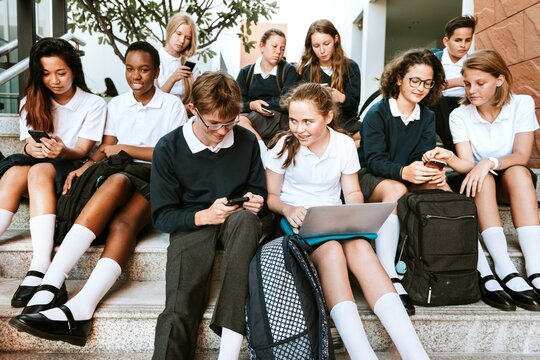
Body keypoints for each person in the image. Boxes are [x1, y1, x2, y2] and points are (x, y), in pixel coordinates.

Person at [9, 41, 188, 345]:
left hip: (157, 178)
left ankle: (54, 285)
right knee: (119, 212)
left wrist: (125, 149)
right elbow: (105, 148)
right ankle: (75, 306)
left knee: (118, 189)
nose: (137, 76)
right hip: (121, 172)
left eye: (145, 70)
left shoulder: (171, 106)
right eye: (131, 69)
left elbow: (169, 156)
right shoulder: (117, 105)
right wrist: (84, 166)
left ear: (157, 72)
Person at [265, 82, 429, 359]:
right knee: (330, 252)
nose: (299, 128)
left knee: (362, 249)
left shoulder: (342, 144)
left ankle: (415, 352)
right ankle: (361, 352)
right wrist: (287, 208)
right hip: (297, 221)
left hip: (335, 216)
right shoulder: (284, 145)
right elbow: (271, 196)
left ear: (328, 117)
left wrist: (355, 209)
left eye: (308, 121)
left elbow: (352, 190)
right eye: (294, 120)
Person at [150, 71, 267, 360]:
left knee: (247, 221)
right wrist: (204, 216)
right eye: (213, 123)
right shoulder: (168, 147)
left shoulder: (246, 142)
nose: (221, 131)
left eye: (230, 123)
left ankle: (228, 349)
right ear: (193, 109)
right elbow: (162, 216)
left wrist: (255, 200)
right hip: (192, 223)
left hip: (237, 220)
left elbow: (256, 189)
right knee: (179, 303)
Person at [423, 49, 540, 311]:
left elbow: (522, 155)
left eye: (480, 83)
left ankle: (535, 268)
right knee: (484, 177)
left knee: (519, 173)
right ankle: (504, 267)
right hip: (479, 183)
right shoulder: (459, 115)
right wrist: (449, 157)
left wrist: (489, 161)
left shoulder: (521, 103)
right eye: (466, 84)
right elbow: (466, 163)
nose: (471, 90)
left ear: (499, 80)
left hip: (512, 179)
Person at [3, 38, 106, 309]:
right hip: (42, 171)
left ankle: (40, 264)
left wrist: (61, 151)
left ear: (73, 70)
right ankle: (38, 265)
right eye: (47, 73)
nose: (54, 80)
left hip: (73, 168)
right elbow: (26, 141)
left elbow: (83, 149)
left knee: (36, 172)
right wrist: (31, 147)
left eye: (61, 73)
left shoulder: (93, 104)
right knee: (15, 172)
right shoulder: (31, 101)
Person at [357, 48, 449, 315]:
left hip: (404, 175)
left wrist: (431, 169)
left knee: (438, 186)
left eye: (427, 82)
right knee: (397, 189)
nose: (421, 88)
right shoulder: (377, 113)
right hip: (371, 178)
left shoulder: (428, 116)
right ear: (399, 78)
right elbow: (374, 160)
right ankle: (389, 274)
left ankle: (456, 267)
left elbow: (420, 156)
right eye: (414, 80)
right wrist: (405, 173)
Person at [298, 19, 361, 140]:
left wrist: (341, 98)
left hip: (345, 122)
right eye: (316, 46)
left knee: (370, 133)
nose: (322, 51)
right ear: (311, 46)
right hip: (316, 123)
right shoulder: (306, 71)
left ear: (335, 39)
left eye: (326, 44)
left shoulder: (350, 67)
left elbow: (354, 108)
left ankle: (345, 147)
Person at [236, 28, 298, 147]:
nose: (278, 52)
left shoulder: (289, 71)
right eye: (274, 46)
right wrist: (252, 105)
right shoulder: (246, 72)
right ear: (262, 46)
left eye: (282, 49)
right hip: (252, 118)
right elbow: (236, 103)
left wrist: (261, 105)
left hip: (277, 120)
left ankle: (258, 147)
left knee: (239, 123)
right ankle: (260, 147)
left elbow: (286, 102)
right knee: (236, 121)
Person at [431, 15, 477, 152]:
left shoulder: (474, 62)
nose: (463, 45)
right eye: (458, 40)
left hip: (466, 102)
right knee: (439, 102)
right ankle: (456, 153)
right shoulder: (434, 60)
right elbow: (429, 87)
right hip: (440, 105)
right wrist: (457, 82)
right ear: (446, 41)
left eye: (468, 40)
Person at [156, 12, 199, 105]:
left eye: (187, 38)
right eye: (179, 34)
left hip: (184, 116)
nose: (182, 40)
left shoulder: (190, 64)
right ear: (170, 30)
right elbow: (154, 101)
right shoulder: (154, 59)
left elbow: (197, 99)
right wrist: (173, 78)